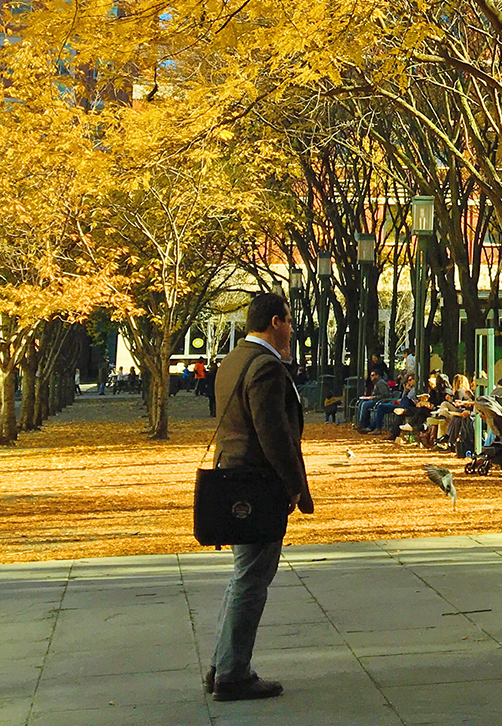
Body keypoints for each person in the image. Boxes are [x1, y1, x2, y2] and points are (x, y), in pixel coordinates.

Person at [206, 293, 312, 703]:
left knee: (243, 576)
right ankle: (232, 673)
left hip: (234, 476)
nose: (290, 328)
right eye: (288, 321)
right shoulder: (266, 366)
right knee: (252, 578)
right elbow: (274, 435)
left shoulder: (234, 359)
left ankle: (223, 665)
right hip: (255, 483)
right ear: (275, 322)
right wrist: (293, 486)